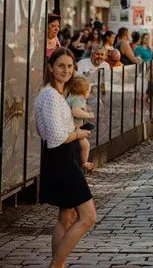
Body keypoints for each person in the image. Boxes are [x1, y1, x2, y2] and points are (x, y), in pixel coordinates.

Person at [34, 48, 96, 268]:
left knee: (66, 217)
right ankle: (55, 265)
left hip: (64, 156)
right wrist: (79, 134)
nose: (66, 70)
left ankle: (58, 265)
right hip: (61, 158)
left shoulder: (58, 94)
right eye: (61, 65)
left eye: (70, 66)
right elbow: (56, 137)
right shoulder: (50, 95)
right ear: (50, 67)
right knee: (88, 216)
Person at [67, 76, 95, 172]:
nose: (89, 93)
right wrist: (88, 115)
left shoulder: (71, 97)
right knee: (85, 145)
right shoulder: (78, 99)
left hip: (72, 126)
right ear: (84, 92)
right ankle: (84, 162)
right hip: (75, 127)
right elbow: (76, 112)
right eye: (88, 91)